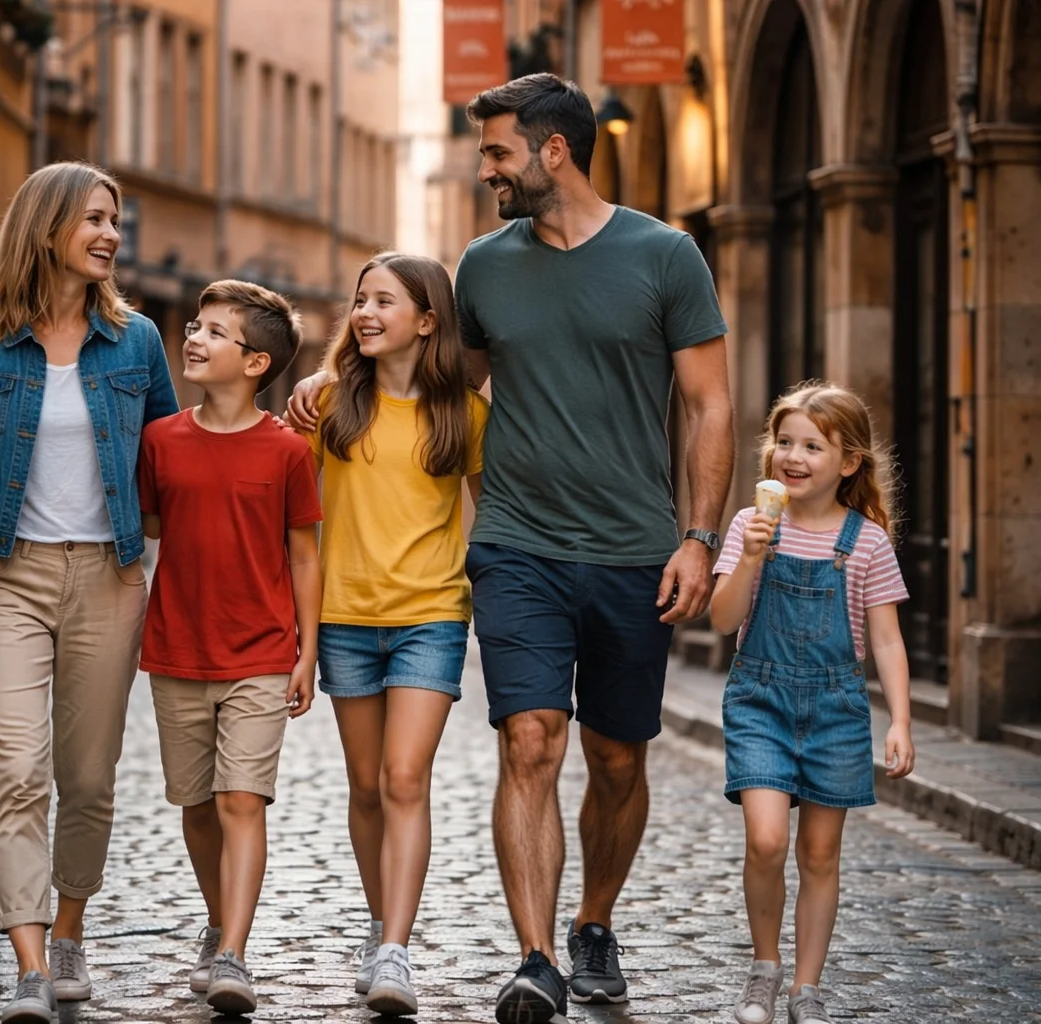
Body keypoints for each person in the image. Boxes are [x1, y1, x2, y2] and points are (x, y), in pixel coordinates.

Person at [287, 72, 735, 1022]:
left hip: (631, 548)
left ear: (552, 151)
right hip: (517, 546)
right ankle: (535, 958)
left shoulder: (667, 256)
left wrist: (700, 536)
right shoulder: (484, 265)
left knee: (617, 758)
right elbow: (441, 388)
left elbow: (709, 405)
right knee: (529, 740)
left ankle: (593, 921)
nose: (484, 168)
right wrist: (332, 389)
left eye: (496, 152)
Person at [0, 161, 178, 1024]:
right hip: (5, 575)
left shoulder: (136, 342)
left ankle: (69, 931)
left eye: (114, 222)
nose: (109, 236)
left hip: (110, 575)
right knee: (17, 771)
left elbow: (177, 456)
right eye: (93, 219)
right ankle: (27, 964)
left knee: (89, 779)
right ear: (46, 226)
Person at [297, 253, 487, 1016]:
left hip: (431, 617)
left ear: (428, 321)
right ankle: (379, 924)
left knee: (407, 779)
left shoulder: (465, 417)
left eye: (385, 301)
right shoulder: (329, 407)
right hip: (344, 618)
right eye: (360, 300)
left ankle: (396, 951)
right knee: (368, 786)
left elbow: (493, 512)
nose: (366, 313)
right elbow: (297, 525)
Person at [137, 280, 321, 1017]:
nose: (194, 338)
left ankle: (233, 953)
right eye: (195, 326)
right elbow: (150, 528)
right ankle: (218, 919)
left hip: (261, 652)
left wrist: (307, 651)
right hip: (177, 649)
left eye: (215, 332)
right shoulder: (160, 441)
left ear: (255, 363)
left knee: (242, 799)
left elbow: (304, 555)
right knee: (197, 804)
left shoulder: (287, 451)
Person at [709, 382, 915, 1024]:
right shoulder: (751, 525)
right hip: (760, 699)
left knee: (821, 855)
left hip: (836, 707)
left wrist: (901, 720)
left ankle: (806, 987)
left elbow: (885, 638)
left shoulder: (868, 542)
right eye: (784, 443)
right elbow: (722, 621)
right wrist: (748, 558)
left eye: (812, 447)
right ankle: (765, 968)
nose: (792, 457)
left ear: (848, 462)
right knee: (767, 842)